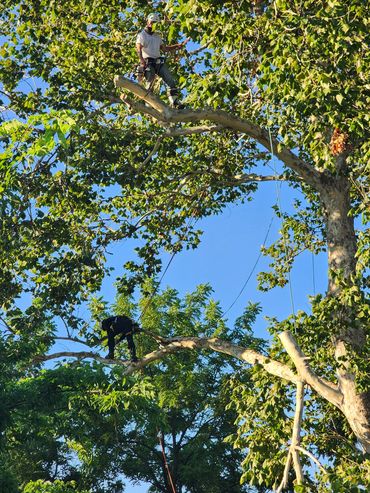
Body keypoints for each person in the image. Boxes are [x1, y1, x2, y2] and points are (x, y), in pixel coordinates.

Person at [136, 12, 188, 108]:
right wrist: (141, 61)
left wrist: (177, 46)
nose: (153, 24)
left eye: (155, 23)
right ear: (148, 22)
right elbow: (138, 48)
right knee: (150, 81)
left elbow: (164, 49)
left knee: (170, 80)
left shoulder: (157, 36)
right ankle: (149, 103)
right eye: (152, 22)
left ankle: (174, 101)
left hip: (158, 62)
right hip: (148, 62)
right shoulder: (142, 35)